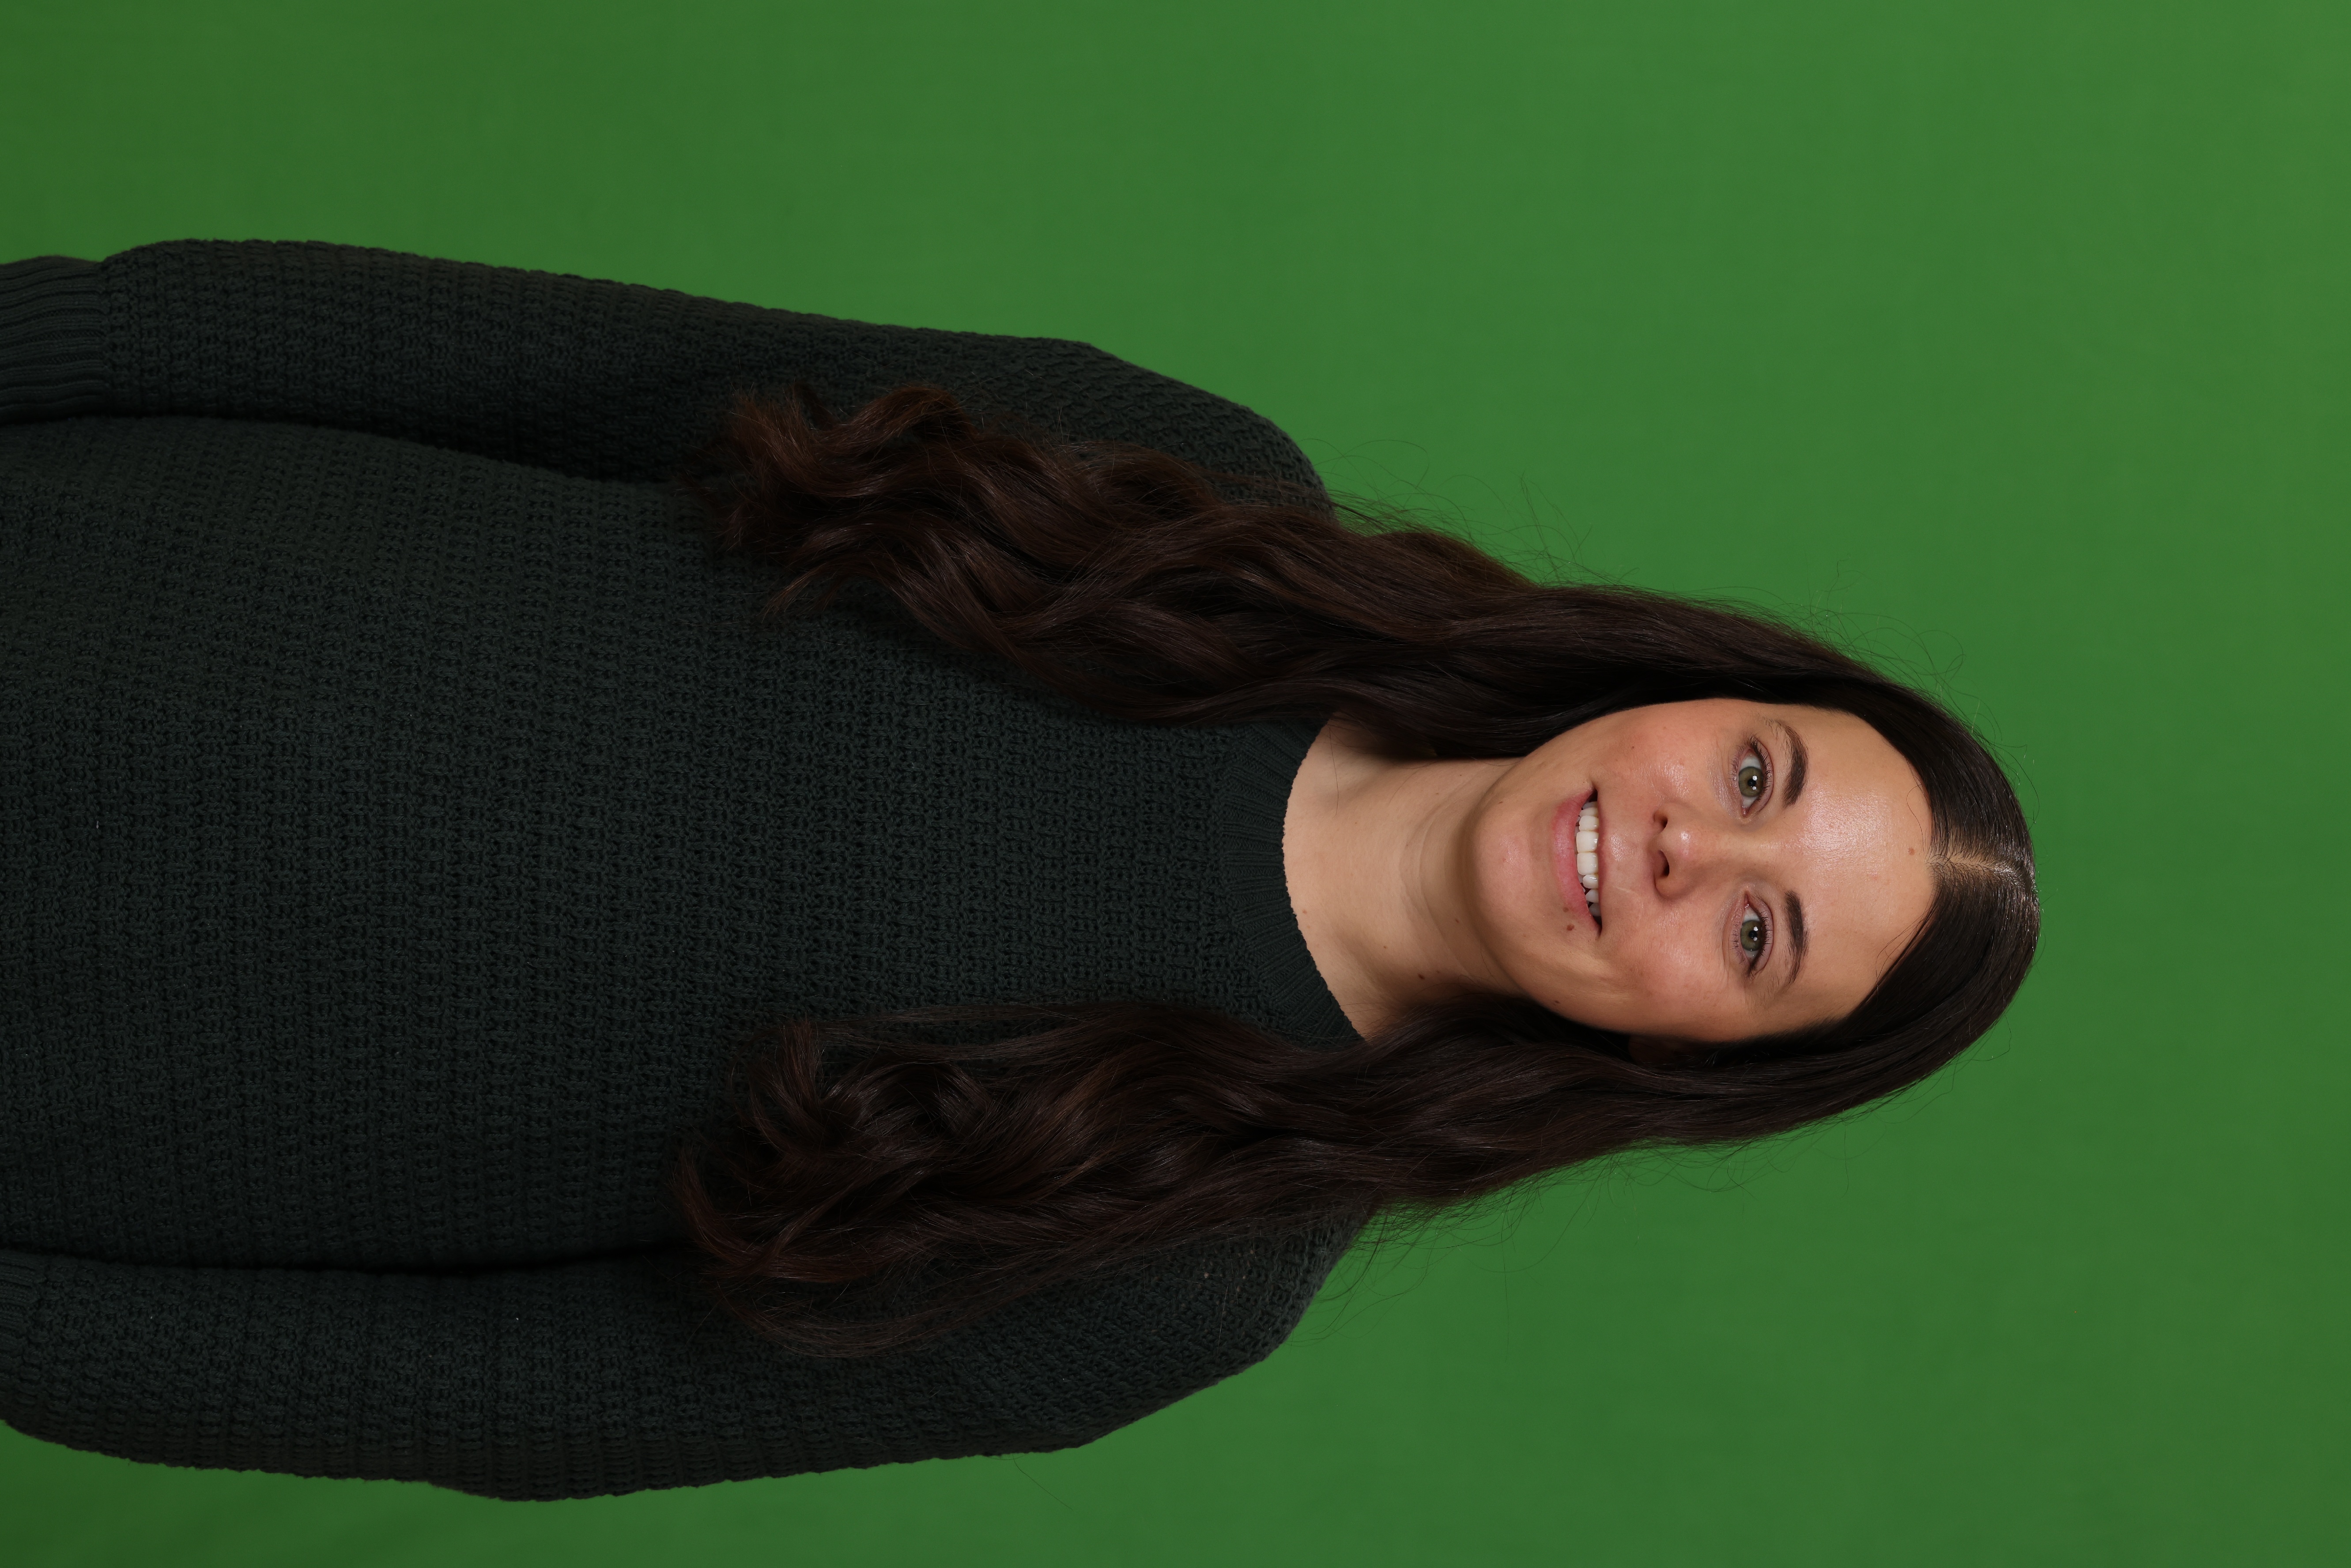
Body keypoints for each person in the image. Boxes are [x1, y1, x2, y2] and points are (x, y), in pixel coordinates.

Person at [0, 241, 2037, 1501]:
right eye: (1758, 772)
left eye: (1757, 931)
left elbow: (485, 1396)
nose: (1689, 845)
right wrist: (62, 329)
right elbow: (531, 361)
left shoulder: (1169, 1279)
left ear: (1696, 1063)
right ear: (1696, 686)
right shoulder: (1194, 497)